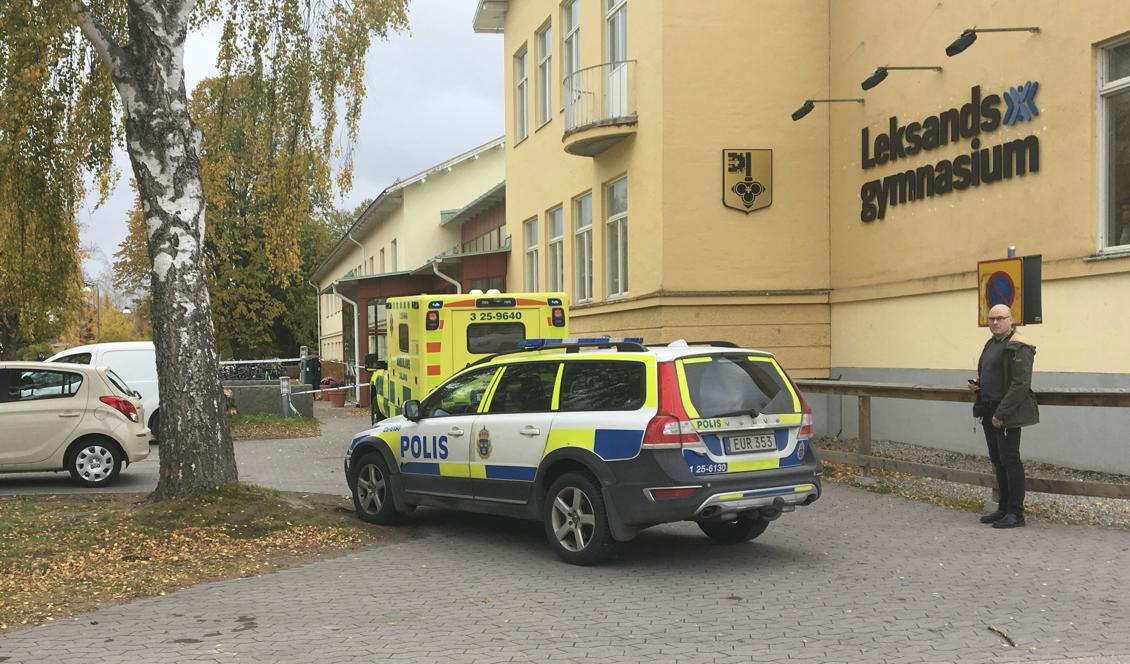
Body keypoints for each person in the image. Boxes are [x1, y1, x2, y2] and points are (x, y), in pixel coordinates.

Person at [968, 304, 1039, 528]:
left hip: (1006, 412)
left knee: (1010, 461)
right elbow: (997, 374)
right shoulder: (992, 343)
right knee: (998, 461)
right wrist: (979, 385)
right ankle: (1004, 507)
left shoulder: (1020, 346)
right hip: (989, 408)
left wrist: (1001, 413)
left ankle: (1016, 514)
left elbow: (1020, 385)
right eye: (991, 319)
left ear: (1011, 320)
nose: (995, 322)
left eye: (1000, 318)